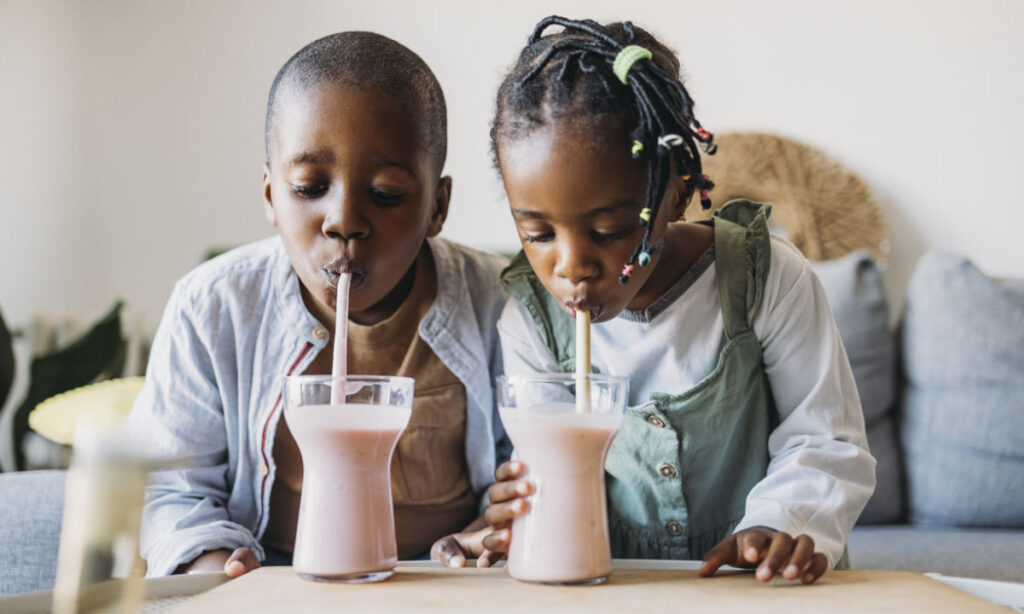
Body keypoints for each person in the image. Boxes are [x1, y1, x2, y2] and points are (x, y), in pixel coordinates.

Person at [434, 16, 875, 585]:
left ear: (679, 192)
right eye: (538, 234)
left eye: (610, 229)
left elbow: (824, 440)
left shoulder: (767, 278)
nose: (571, 268)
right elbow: (554, 472)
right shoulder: (531, 319)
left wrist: (781, 522)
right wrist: (510, 524)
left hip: (763, 589)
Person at [127, 31, 510, 577]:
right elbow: (167, 487)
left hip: (446, 580)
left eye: (386, 194)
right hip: (275, 577)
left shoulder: (502, 307)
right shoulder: (212, 309)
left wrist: (493, 532)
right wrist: (214, 567)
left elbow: (524, 473)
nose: (345, 221)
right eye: (309, 187)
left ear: (437, 206)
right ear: (270, 198)